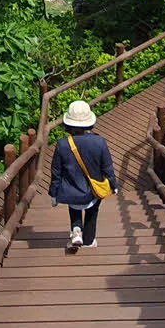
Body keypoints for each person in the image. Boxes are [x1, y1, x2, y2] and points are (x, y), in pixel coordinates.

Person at [49, 99, 119, 251]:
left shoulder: (62, 144)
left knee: (74, 208)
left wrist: (53, 193)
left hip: (70, 192)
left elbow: (56, 172)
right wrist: (114, 185)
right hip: (92, 192)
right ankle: (88, 241)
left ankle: (76, 229)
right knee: (92, 211)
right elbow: (107, 167)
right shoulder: (100, 142)